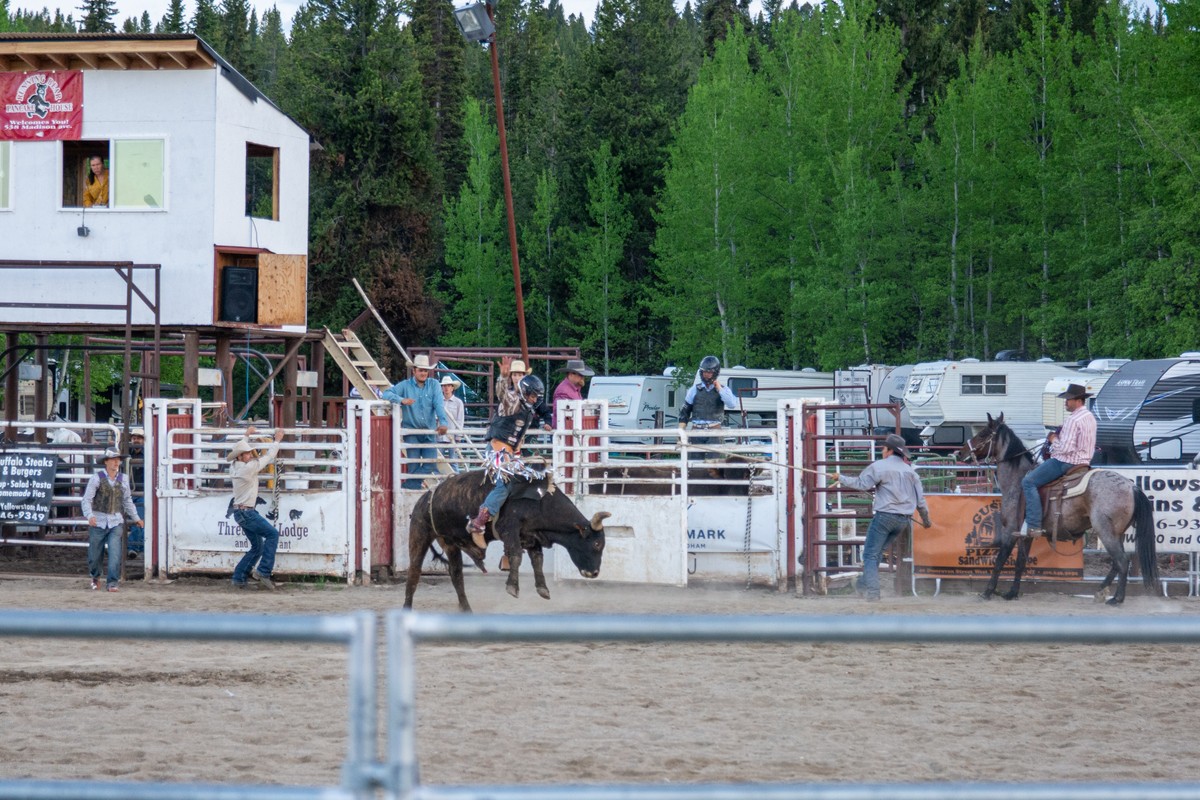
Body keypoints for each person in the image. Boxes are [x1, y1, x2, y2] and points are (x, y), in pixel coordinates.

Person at [830, 433, 931, 602]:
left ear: (889, 450)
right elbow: (921, 501)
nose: (882, 451)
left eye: (884, 448)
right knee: (875, 554)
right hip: (903, 520)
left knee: (870, 555)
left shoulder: (879, 467)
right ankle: (862, 585)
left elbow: (861, 484)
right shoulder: (910, 471)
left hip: (885, 517)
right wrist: (926, 520)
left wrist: (840, 478)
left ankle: (873, 593)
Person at [465, 374, 553, 549]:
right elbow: (503, 395)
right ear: (524, 392)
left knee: (527, 482)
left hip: (510, 453)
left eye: (536, 397)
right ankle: (479, 522)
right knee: (504, 484)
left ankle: (511, 536)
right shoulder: (512, 402)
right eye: (532, 395)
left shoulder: (527, 410)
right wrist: (504, 377)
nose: (534, 399)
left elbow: (517, 437)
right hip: (497, 450)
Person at [1020, 383, 1097, 537]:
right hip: (1084, 462)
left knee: (1028, 482)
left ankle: (1034, 525)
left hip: (1066, 461)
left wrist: (1054, 439)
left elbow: (1065, 449)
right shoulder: (1090, 417)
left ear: (1077, 400)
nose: (1065, 402)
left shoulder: (1073, 419)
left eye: (1068, 399)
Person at [228, 425, 285, 590]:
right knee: (273, 534)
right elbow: (268, 457)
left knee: (258, 546)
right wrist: (277, 441)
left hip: (241, 512)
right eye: (247, 453)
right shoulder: (248, 468)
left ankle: (239, 577)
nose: (250, 455)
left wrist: (246, 436)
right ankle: (263, 571)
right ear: (240, 457)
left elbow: (241, 450)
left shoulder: (234, 466)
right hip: (247, 512)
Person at [381, 354, 450, 489]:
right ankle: (412, 491)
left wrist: (443, 422)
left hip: (429, 432)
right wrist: (401, 400)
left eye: (425, 370)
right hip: (411, 432)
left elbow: (438, 404)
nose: (423, 373)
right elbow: (386, 393)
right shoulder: (405, 386)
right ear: (414, 371)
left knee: (431, 464)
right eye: (420, 370)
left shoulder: (434, 384)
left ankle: (408, 486)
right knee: (413, 465)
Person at [81, 448, 142, 592]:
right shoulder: (96, 478)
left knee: (115, 553)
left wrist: (136, 518)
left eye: (118, 459)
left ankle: (112, 582)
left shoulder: (124, 479)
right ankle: (95, 576)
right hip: (98, 520)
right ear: (106, 462)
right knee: (95, 555)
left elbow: (127, 501)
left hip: (115, 521)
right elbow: (86, 500)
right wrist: (90, 515)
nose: (116, 462)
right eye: (113, 459)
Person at [678, 355, 738, 457]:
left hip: (714, 430)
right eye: (704, 372)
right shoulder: (694, 389)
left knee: (713, 465)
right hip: (696, 430)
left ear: (715, 372)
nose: (706, 375)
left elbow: (732, 404)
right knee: (694, 464)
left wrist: (719, 388)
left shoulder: (724, 390)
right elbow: (685, 413)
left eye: (709, 372)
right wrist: (680, 434)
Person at [551, 358, 595, 427]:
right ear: (571, 374)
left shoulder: (574, 389)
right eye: (580, 375)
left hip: (570, 431)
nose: (582, 378)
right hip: (564, 433)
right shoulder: (563, 391)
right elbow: (560, 412)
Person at [438, 375, 466, 472]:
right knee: (438, 462)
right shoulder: (438, 402)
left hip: (452, 437)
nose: (446, 388)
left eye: (448, 386)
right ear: (442, 388)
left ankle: (455, 484)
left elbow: (460, 420)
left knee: (453, 462)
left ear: (452, 387)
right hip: (439, 436)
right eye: (444, 386)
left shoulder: (458, 402)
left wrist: (458, 436)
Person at [126, 427, 146, 556]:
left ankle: (132, 547)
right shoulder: (127, 454)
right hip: (129, 491)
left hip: (141, 491)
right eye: (134, 438)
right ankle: (139, 546)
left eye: (139, 438)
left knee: (137, 519)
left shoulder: (147, 454)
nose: (136, 440)